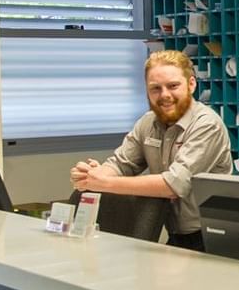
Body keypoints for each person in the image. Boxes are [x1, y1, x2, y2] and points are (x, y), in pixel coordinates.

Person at [70, 50, 230, 250]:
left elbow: (173, 185)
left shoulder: (206, 124)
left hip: (213, 237)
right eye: (155, 88)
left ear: (191, 84)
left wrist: (105, 183)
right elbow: (121, 163)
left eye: (173, 86)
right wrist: (92, 176)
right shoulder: (148, 122)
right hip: (176, 234)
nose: (165, 95)